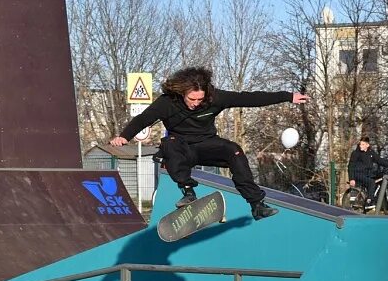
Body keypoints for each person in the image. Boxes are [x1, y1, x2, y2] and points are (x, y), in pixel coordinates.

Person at [110, 67, 310, 221]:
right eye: (192, 99)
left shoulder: (215, 97)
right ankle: (188, 192)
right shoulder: (167, 103)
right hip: (181, 148)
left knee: (234, 150)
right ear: (181, 93)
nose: (196, 103)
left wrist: (287, 96)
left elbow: (250, 98)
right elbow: (143, 119)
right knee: (170, 143)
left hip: (207, 145)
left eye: (200, 99)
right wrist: (124, 136)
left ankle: (257, 204)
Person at [347, 137, 388, 210]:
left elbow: (380, 161)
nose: (361, 146)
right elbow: (350, 166)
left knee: (381, 178)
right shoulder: (355, 153)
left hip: (368, 174)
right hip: (358, 174)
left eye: (363, 144)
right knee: (371, 182)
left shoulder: (371, 153)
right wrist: (351, 179)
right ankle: (369, 202)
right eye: (360, 144)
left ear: (367, 145)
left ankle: (375, 199)